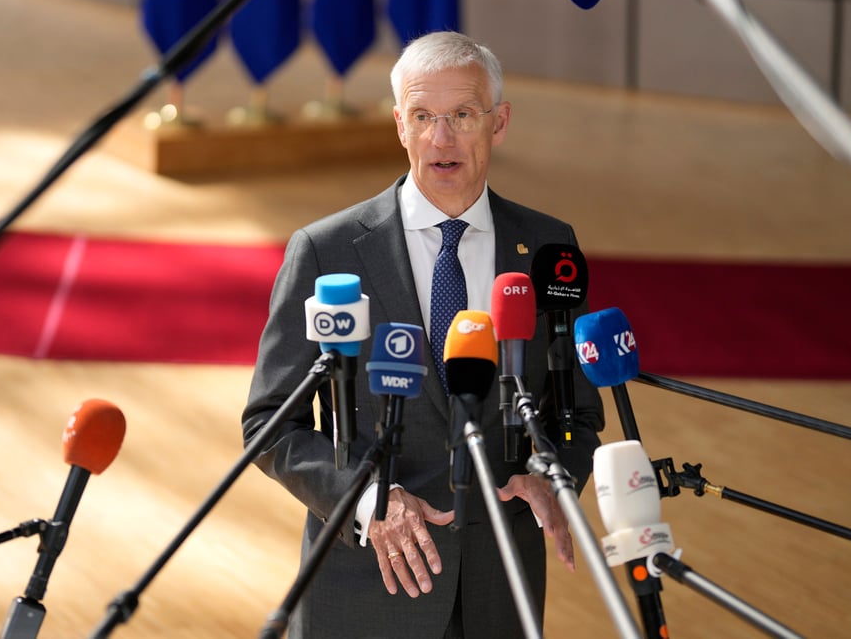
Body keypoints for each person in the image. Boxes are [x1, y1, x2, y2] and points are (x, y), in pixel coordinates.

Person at [241, 31, 604, 639]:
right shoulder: (326, 251)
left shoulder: (548, 248)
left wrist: (553, 472)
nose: (442, 138)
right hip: (365, 585)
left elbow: (578, 413)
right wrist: (365, 500)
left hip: (499, 588)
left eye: (462, 114)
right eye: (423, 116)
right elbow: (271, 422)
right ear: (400, 126)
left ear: (500, 121)